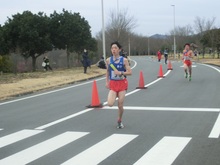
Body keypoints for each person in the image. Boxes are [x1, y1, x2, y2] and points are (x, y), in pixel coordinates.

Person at [105, 41, 132, 129]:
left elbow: (130, 72)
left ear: (119, 49)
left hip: (122, 84)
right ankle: (115, 96)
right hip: (113, 84)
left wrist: (120, 72)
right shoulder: (108, 60)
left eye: (115, 48)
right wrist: (107, 81)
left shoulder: (124, 60)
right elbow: (108, 71)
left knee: (120, 105)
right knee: (110, 104)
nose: (113, 50)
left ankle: (119, 120)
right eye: (112, 48)